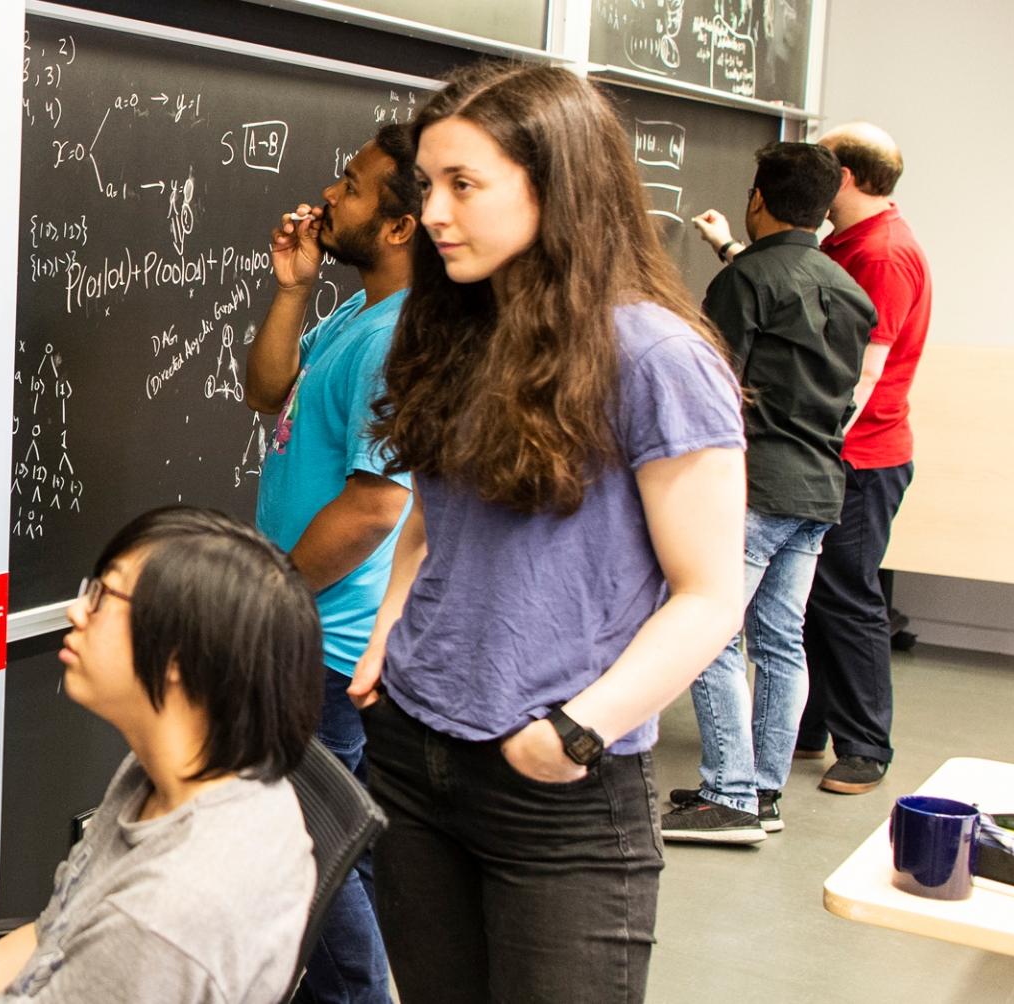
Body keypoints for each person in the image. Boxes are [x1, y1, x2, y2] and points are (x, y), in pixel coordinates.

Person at [345, 62, 747, 1003]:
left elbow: (710, 596)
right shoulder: (455, 329)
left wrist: (574, 732)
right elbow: (431, 515)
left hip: (557, 784)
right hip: (414, 749)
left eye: (463, 186)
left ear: (554, 186)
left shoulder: (658, 358)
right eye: (426, 186)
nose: (433, 214)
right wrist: (387, 631)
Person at [0, 507, 319, 1004]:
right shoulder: (166, 774)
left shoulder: (160, 922)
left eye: (104, 596)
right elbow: (50, 934)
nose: (75, 610)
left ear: (182, 655)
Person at [243, 121, 421, 1004]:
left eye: (352, 185)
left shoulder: (400, 337)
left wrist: (269, 598)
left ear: (397, 227)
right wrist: (292, 292)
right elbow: (265, 391)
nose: (331, 193)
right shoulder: (357, 313)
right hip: (306, 617)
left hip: (327, 630)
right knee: (325, 831)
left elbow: (375, 506)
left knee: (312, 838)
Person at [666, 143, 878, 843]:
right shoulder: (849, 289)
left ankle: (728, 797)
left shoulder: (746, 281)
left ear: (758, 199)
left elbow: (711, 390)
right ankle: (762, 792)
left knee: (712, 632)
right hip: (820, 488)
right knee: (782, 642)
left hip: (754, 486)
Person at [793, 122, 932, 795]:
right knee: (819, 595)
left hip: (861, 455)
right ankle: (812, 726)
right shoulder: (849, 242)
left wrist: (818, 444)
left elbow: (863, 371)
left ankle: (866, 746)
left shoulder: (880, 252)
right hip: (843, 452)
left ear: (844, 176)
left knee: (848, 597)